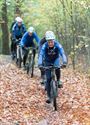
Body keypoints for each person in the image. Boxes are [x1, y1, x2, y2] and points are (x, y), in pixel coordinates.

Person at [38, 31, 67, 103]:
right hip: (47, 61)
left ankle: (59, 80)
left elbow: (62, 53)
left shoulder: (58, 45)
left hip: (55, 60)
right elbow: (41, 55)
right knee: (48, 79)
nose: (50, 43)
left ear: (54, 40)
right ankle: (48, 96)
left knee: (57, 68)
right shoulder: (44, 46)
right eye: (49, 42)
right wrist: (40, 64)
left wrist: (64, 62)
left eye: (52, 41)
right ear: (47, 41)